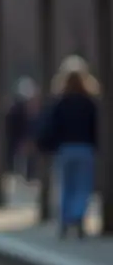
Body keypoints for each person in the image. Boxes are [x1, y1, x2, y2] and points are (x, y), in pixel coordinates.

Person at [36, 55, 99, 238]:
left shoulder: (60, 102)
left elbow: (52, 127)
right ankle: (78, 217)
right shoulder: (89, 102)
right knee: (82, 186)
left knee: (65, 186)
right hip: (85, 148)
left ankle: (65, 220)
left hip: (64, 149)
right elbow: (95, 127)